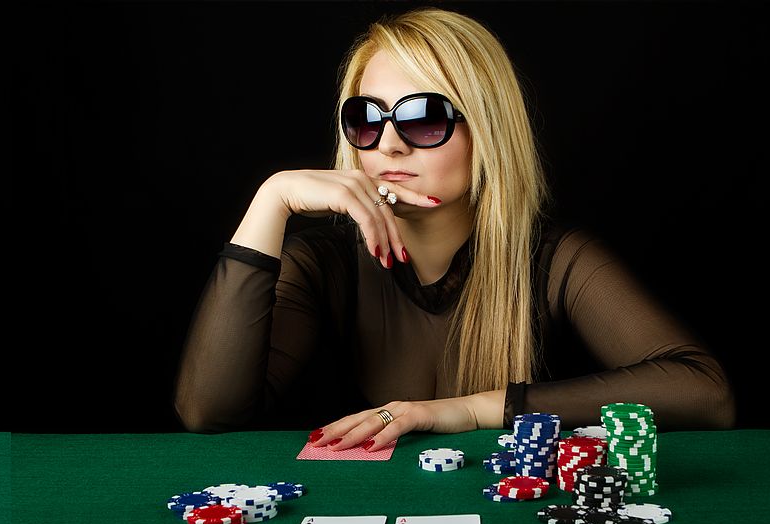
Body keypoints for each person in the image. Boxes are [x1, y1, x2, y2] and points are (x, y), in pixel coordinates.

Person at [173, 7, 735, 451]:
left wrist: (466, 410)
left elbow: (703, 392)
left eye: (423, 117)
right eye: (366, 119)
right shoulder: (324, 260)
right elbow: (208, 413)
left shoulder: (554, 258)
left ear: (485, 130)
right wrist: (270, 200)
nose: (389, 143)